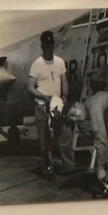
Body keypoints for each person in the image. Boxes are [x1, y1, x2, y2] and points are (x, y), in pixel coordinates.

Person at [26, 31, 72, 176]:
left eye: (51, 45)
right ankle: (48, 169)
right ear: (42, 46)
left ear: (53, 45)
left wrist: (64, 96)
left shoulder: (60, 62)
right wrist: (43, 97)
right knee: (44, 142)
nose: (49, 49)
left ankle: (69, 167)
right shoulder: (36, 65)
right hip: (42, 106)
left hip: (57, 105)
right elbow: (30, 87)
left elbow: (64, 81)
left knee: (65, 136)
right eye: (46, 46)